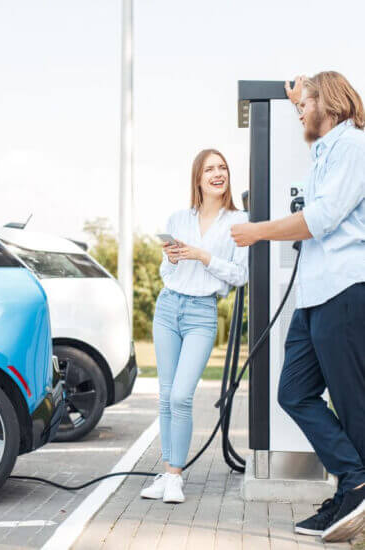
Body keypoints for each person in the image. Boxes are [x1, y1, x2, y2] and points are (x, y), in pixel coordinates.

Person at [232, 71, 365, 543]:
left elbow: (322, 217)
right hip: (313, 295)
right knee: (294, 392)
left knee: (351, 403)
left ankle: (352, 495)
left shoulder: (354, 147)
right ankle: (356, 481)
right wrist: (297, 100)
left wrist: (259, 231)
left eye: (306, 105)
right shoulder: (326, 151)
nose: (300, 113)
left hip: (343, 289)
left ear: (329, 102)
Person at [141, 149, 248, 503]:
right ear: (198, 178)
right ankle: (168, 471)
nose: (218, 174)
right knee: (166, 396)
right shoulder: (178, 218)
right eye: (210, 169)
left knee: (181, 396)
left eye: (222, 168)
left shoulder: (239, 221)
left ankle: (175, 477)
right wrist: (171, 258)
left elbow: (240, 275)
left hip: (202, 311)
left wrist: (203, 256)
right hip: (168, 307)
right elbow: (166, 272)